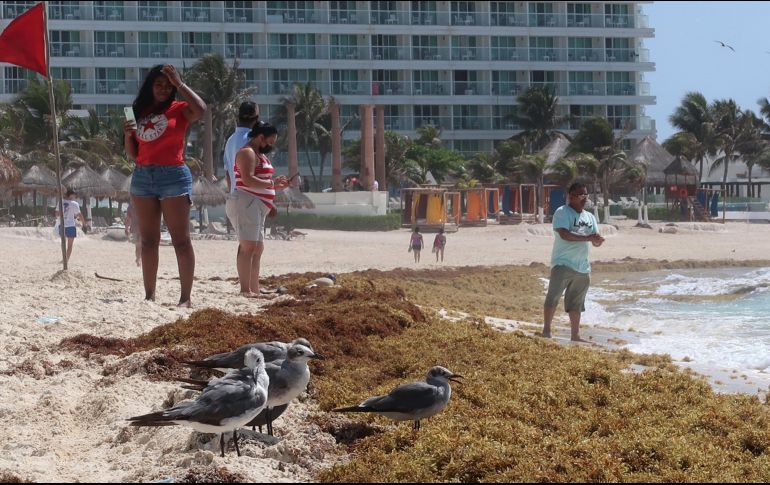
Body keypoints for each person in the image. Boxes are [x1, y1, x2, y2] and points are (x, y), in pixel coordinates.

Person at [123, 64, 206, 307]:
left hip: (173, 175)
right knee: (148, 241)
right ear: (150, 85)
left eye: (168, 85)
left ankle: (185, 298)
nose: (163, 89)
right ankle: (149, 295)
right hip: (142, 176)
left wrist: (180, 84)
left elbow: (201, 109)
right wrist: (128, 135)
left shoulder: (179, 109)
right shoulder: (136, 111)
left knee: (181, 240)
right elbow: (133, 155)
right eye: (159, 84)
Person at [542, 182, 605, 342]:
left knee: (576, 304)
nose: (585, 198)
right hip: (563, 263)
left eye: (586, 195)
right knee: (553, 297)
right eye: (581, 195)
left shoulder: (590, 217)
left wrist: (597, 240)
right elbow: (564, 234)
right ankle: (547, 330)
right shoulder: (562, 212)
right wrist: (588, 238)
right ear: (570, 196)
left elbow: (594, 241)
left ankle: (575, 335)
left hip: (582, 268)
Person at [233, 121, 289, 297]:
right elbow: (248, 180)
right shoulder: (247, 152)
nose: (271, 145)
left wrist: (274, 187)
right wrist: (272, 183)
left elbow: (260, 179)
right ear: (260, 137)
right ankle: (245, 290)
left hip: (257, 205)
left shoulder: (258, 154)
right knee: (248, 247)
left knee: (257, 248)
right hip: (247, 202)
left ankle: (254, 289)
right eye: (270, 141)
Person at [55, 189, 85, 264]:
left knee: (63, 243)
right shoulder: (74, 204)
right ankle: (66, 260)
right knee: (70, 245)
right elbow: (79, 215)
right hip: (70, 226)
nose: (75, 197)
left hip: (61, 225)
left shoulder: (60, 202)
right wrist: (84, 223)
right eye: (75, 195)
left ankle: (63, 259)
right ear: (71, 195)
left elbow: (57, 214)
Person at [124, 200, 142, 266]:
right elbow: (128, 218)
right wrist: (126, 228)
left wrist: (126, 228)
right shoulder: (130, 207)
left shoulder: (131, 206)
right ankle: (138, 258)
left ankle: (139, 259)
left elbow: (128, 218)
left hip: (140, 229)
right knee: (138, 246)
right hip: (135, 229)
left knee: (139, 245)